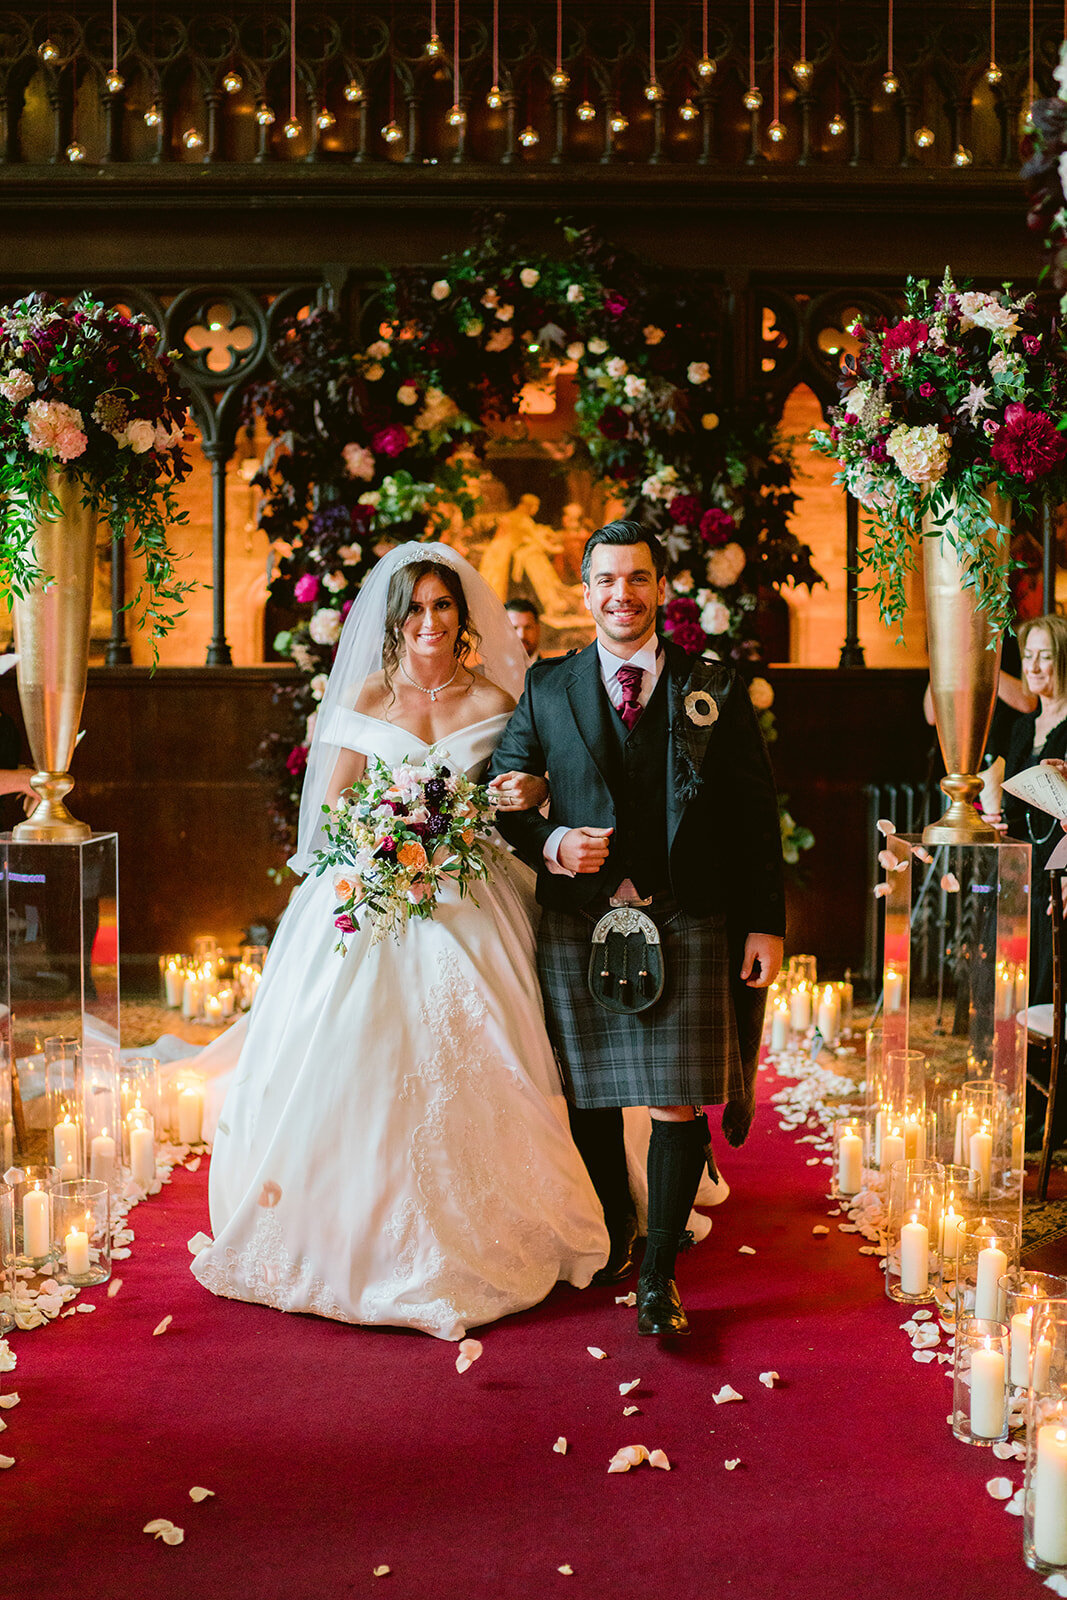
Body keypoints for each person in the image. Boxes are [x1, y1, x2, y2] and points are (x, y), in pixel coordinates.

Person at [189, 544, 609, 1340]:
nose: (428, 621)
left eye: (442, 606)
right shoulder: (365, 695)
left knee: (489, 1043)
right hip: (368, 895)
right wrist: (376, 848)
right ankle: (336, 1225)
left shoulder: (497, 695)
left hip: (469, 895)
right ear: (394, 621)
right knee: (343, 1049)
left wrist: (527, 792)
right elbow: (333, 808)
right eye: (414, 608)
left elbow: (525, 791)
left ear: (462, 616)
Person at [490, 520, 785, 1338]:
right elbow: (500, 790)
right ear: (584, 594)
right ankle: (618, 1230)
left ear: (661, 589)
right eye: (606, 581)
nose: (622, 594)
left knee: (674, 1103)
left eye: (638, 579)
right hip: (580, 919)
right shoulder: (548, 687)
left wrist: (766, 924)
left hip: (686, 911)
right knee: (588, 1097)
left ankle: (658, 1273)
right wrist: (549, 841)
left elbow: (757, 813)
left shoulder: (712, 685)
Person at [990, 613, 1067, 1005]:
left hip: (1061, 874)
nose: (1033, 667)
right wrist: (995, 819)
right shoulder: (1023, 726)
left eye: (1046, 656)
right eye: (1028, 656)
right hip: (1021, 873)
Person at [505, 597, 542, 663]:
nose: (521, 635)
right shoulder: (482, 672)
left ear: (538, 630)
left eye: (528, 627)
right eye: (514, 628)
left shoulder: (556, 672)